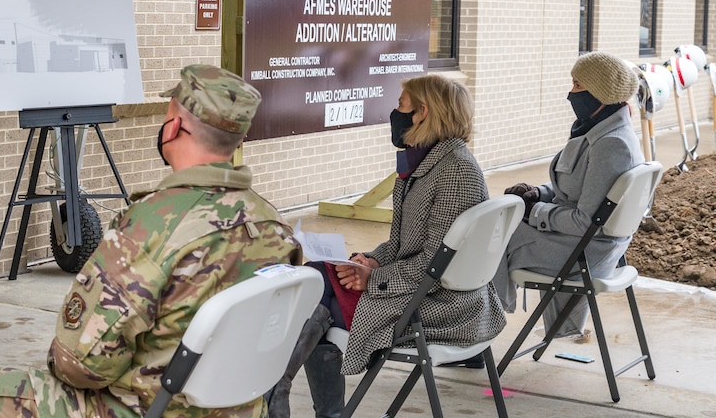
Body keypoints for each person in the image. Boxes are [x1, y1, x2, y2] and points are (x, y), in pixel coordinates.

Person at [0, 64, 301, 418]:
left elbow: (80, 365)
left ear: (175, 125)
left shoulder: (152, 226)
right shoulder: (275, 225)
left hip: (143, 408)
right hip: (242, 410)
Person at [269, 74, 504, 418]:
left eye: (400, 105)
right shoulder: (426, 162)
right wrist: (373, 261)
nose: (395, 113)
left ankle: (281, 392)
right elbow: (402, 241)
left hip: (442, 305)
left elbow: (438, 264)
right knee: (318, 278)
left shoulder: (454, 172)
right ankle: (289, 395)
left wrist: (372, 279)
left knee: (316, 290)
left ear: (422, 112)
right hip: (424, 289)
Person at [492, 51, 642, 338]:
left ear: (600, 92)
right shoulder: (600, 130)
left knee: (489, 235)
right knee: (497, 224)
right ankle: (479, 322)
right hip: (582, 245)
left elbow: (585, 220)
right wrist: (538, 193)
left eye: (577, 85)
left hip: (584, 252)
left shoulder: (611, 145)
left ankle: (480, 328)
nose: (570, 94)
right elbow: (576, 193)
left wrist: (533, 211)